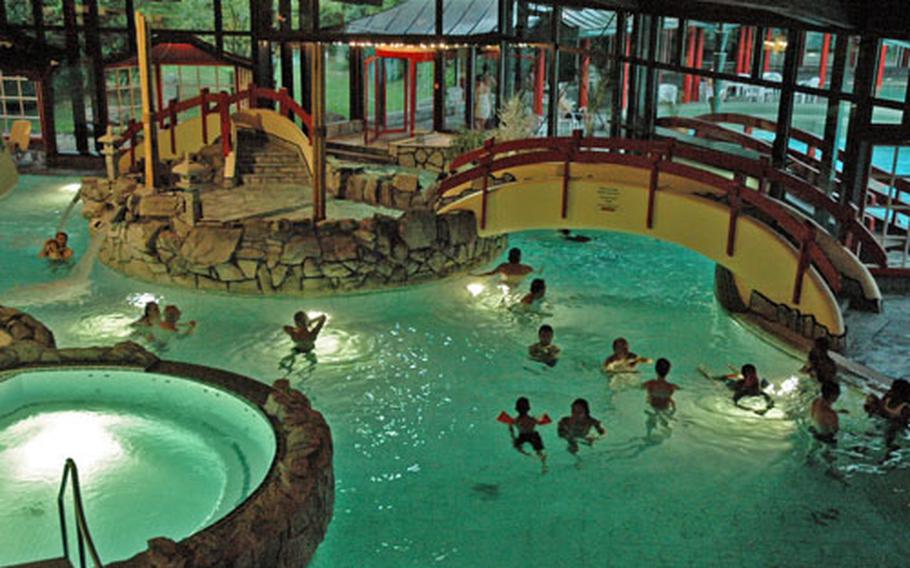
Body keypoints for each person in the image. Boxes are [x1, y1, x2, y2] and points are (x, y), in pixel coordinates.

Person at [498, 397, 549, 473]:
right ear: (528, 408)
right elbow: (539, 422)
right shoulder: (531, 419)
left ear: (516, 409)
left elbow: (511, 429)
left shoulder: (517, 420)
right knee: (539, 450)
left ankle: (529, 456)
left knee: (517, 446)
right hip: (532, 435)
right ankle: (543, 463)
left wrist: (512, 436)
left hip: (525, 435)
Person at [700, 363, 774, 415]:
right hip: (737, 386)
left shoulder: (756, 388)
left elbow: (770, 400)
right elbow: (735, 402)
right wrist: (751, 410)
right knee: (727, 379)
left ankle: (732, 373)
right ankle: (711, 376)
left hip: (742, 385)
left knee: (732, 378)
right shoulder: (743, 389)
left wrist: (764, 410)